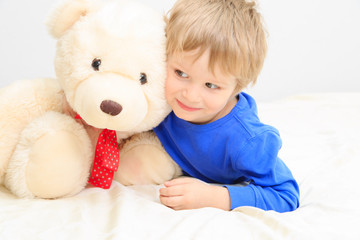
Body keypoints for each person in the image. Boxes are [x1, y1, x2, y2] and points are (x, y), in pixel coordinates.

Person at [154, 0, 299, 212]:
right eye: (181, 73)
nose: (190, 96)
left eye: (211, 85)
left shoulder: (246, 140)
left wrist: (215, 197)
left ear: (236, 87)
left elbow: (286, 195)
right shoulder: (155, 91)